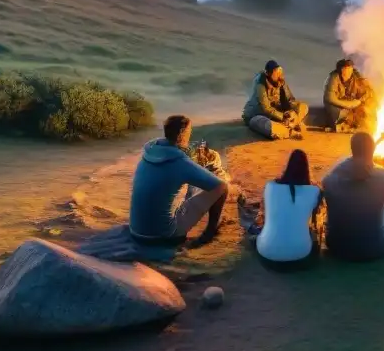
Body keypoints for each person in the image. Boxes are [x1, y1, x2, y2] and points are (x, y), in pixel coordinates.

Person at [129, 114, 229, 246]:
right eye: (189, 131)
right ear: (182, 133)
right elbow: (219, 186)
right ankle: (209, 234)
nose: (191, 134)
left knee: (179, 189)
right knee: (222, 187)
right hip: (163, 235)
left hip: (136, 231)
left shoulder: (149, 153)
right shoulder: (180, 162)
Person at [321, 131, 384, 261]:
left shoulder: (330, 180)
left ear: (352, 149)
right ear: (373, 151)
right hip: (374, 249)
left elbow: (326, 183)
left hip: (336, 247)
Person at [255, 149, 324, 266]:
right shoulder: (314, 191)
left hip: (267, 251)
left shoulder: (270, 186)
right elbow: (315, 222)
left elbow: (266, 214)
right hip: (301, 253)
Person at [243, 60, 309, 140]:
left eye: (278, 71)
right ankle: (289, 131)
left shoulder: (280, 81)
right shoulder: (261, 84)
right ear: (268, 74)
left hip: (276, 114)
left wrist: (290, 113)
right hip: (258, 116)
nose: (278, 74)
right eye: (275, 72)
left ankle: (291, 124)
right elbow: (266, 109)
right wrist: (283, 117)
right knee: (269, 126)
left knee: (303, 106)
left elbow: (290, 100)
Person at [323, 58, 375, 132]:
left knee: (367, 109)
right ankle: (341, 125)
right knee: (338, 112)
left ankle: (357, 125)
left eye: (349, 68)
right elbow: (330, 98)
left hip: (353, 105)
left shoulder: (357, 77)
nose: (347, 70)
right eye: (344, 68)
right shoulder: (333, 78)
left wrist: (359, 101)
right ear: (340, 69)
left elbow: (368, 92)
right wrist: (348, 105)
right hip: (338, 106)